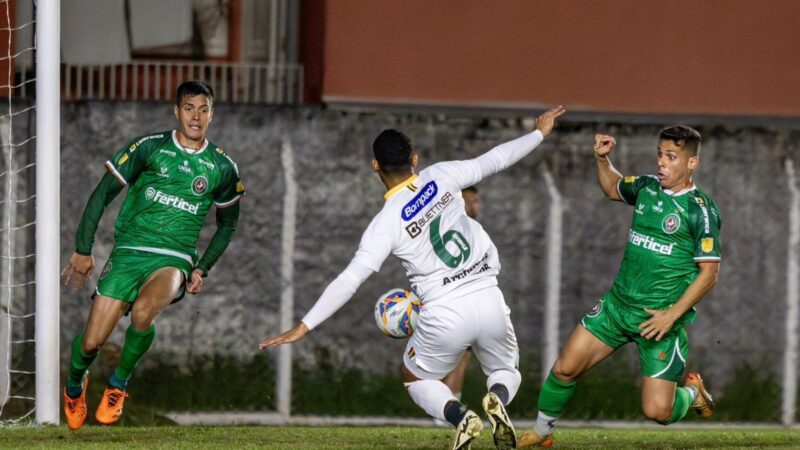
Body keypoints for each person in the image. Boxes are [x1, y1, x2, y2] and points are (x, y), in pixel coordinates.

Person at [260, 106, 566, 450]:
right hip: (488, 295)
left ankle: (458, 415)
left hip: (444, 311)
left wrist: (304, 326)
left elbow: (349, 280)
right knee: (507, 371)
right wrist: (539, 133)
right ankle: (496, 398)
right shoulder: (442, 175)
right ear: (415, 159)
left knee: (415, 378)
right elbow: (495, 158)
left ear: (375, 166)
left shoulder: (386, 222)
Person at [519, 126, 721, 448]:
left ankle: (693, 393)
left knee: (658, 411)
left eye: (671, 157)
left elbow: (709, 273)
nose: (662, 163)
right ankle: (542, 432)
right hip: (617, 308)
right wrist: (602, 159)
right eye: (660, 154)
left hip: (657, 322)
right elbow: (613, 187)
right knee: (565, 368)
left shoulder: (701, 210)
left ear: (692, 163)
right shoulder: (646, 187)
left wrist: (671, 317)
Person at [60, 80, 245, 430]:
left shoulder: (222, 168)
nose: (196, 116)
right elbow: (102, 194)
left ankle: (118, 386)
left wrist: (202, 267)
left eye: (203, 109)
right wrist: (83, 249)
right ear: (176, 111)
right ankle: (73, 386)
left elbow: (228, 225)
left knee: (145, 313)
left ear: (212, 114)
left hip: (173, 258)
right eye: (189, 108)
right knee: (92, 342)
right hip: (129, 252)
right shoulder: (149, 147)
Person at [439, 186, 480, 406]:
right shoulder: (455, 231)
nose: (474, 206)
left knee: (463, 353)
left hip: (466, 300)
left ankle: (449, 403)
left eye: (476, 201)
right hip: (454, 301)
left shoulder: (472, 229)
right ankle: (446, 406)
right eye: (468, 201)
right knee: (459, 353)